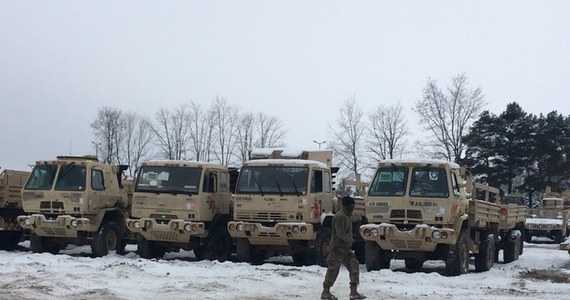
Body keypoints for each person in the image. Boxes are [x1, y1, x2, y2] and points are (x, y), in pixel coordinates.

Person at [321, 196, 366, 300]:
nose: (353, 207)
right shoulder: (340, 216)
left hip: (346, 249)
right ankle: (325, 292)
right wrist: (351, 240)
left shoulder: (348, 215)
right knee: (333, 269)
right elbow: (340, 233)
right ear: (347, 206)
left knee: (354, 266)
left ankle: (354, 292)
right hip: (337, 247)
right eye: (352, 205)